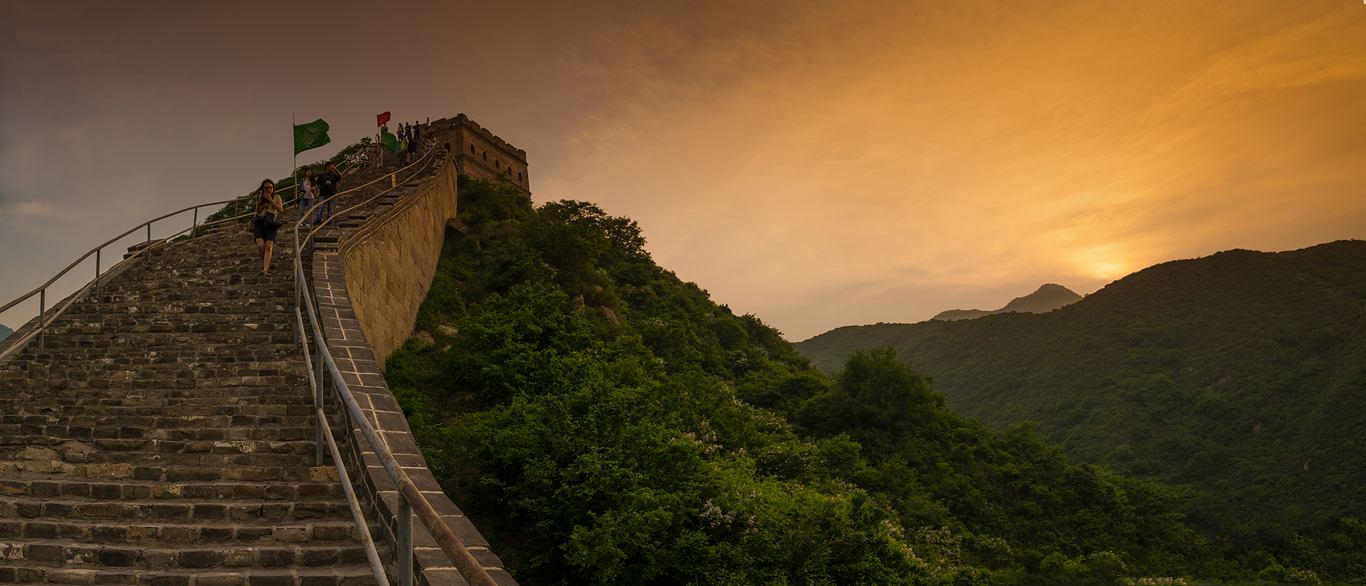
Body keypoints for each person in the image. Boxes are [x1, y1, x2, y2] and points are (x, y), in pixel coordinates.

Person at [252, 179, 284, 275]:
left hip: (271, 223)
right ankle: (266, 265)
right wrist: (255, 214)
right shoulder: (260, 198)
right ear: (263, 188)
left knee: (269, 246)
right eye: (266, 188)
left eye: (270, 187)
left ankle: (265, 269)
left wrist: (270, 200)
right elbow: (256, 210)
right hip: (260, 223)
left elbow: (280, 209)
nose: (269, 189)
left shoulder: (277, 197)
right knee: (260, 245)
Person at [315, 162, 342, 226]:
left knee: (331, 209)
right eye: (331, 166)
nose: (332, 167)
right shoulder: (321, 176)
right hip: (323, 194)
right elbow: (317, 184)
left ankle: (329, 222)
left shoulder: (334, 176)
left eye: (333, 165)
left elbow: (340, 176)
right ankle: (317, 222)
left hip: (332, 193)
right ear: (327, 167)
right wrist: (315, 191)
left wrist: (336, 170)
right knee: (320, 207)